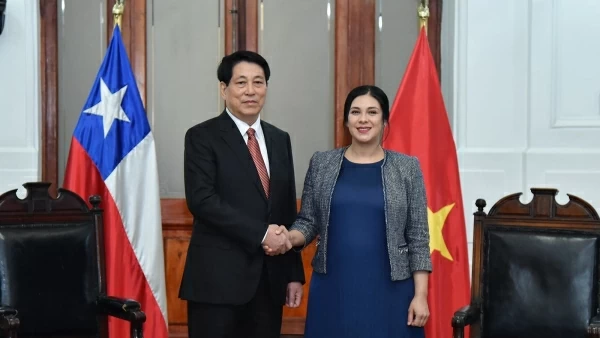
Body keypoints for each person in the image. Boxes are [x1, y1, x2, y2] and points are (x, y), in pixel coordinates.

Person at [265, 85, 432, 337]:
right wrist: (288, 238)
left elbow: (419, 237)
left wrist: (421, 295)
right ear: (346, 120)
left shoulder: (407, 168)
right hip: (334, 287)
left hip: (392, 290)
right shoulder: (322, 163)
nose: (363, 119)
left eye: (372, 112)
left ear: (384, 120)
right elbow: (308, 221)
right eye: (355, 112)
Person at [179, 50, 305, 338]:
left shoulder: (279, 139)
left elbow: (285, 209)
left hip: (269, 282)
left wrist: (293, 274)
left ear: (266, 88)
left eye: (258, 82)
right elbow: (202, 201)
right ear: (224, 89)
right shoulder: (201, 137)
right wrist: (262, 234)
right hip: (217, 283)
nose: (251, 91)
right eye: (241, 83)